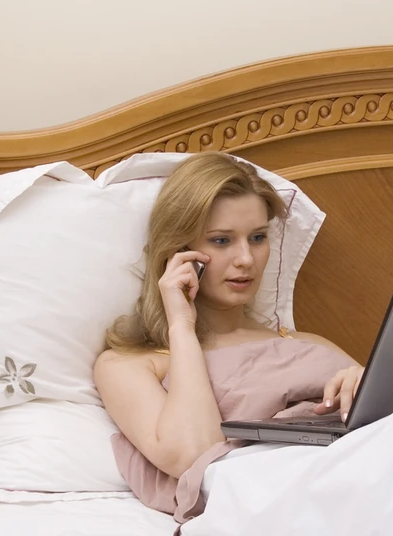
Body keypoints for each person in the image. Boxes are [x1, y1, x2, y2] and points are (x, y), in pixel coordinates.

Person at [93, 152, 364, 491]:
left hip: (365, 467)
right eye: (221, 240)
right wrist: (181, 326)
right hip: (282, 489)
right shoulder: (129, 365)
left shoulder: (308, 344)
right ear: (177, 252)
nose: (246, 259)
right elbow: (194, 457)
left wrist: (365, 389)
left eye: (258, 238)